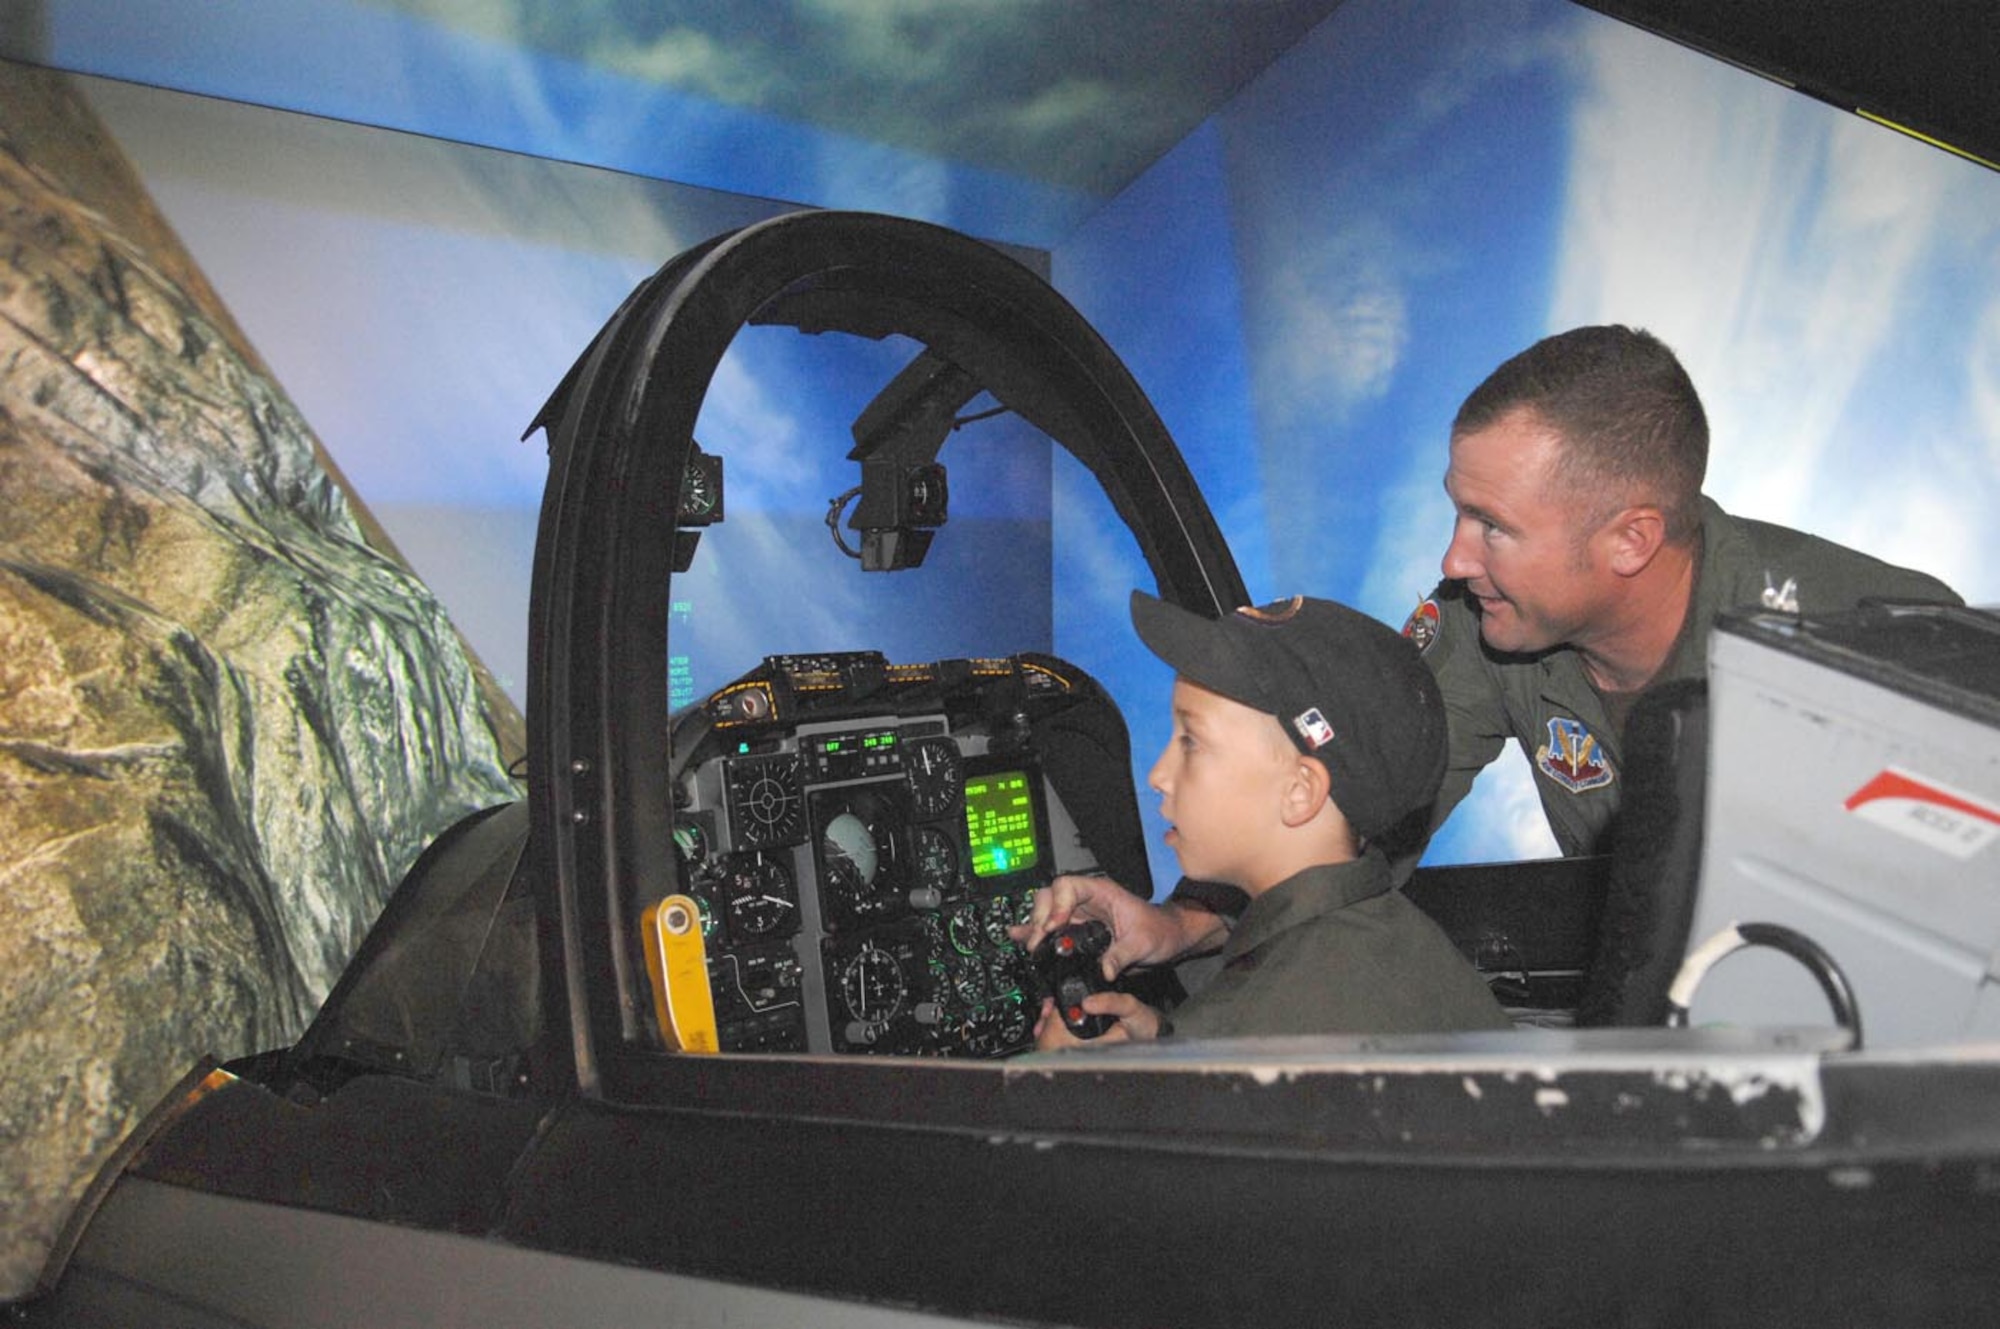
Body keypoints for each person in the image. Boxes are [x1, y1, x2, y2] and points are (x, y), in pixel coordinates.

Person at [1022, 324, 1962, 980]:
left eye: (1493, 525)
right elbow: (1356, 799)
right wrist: (1184, 923)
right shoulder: (1485, 622)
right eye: (1457, 509)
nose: (1454, 558)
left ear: (1630, 539)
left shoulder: (1880, 644)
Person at [1020, 590, 1509, 1049]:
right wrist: (1165, 1046)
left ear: (1300, 792)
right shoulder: (1399, 942)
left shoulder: (1247, 1033)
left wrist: (1070, 1083)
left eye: (1191, 742)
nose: (1158, 775)